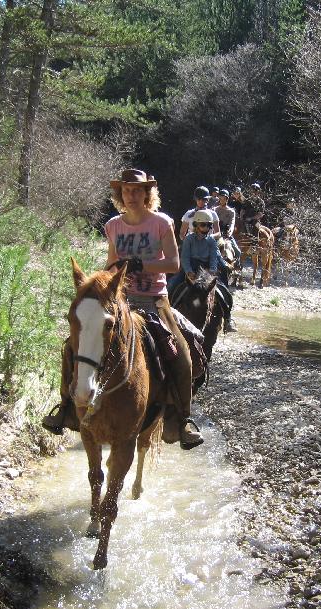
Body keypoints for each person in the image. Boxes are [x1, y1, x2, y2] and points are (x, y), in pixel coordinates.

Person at [42, 168, 204, 449]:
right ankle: (66, 406)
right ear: (121, 195)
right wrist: (103, 281)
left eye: (137, 190)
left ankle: (183, 418)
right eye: (126, 191)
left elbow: (174, 264)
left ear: (146, 193)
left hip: (154, 300)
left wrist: (143, 265)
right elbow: (110, 264)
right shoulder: (114, 225)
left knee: (182, 352)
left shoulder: (161, 223)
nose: (131, 195)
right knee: (73, 345)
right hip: (120, 300)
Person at [168, 210, 237, 333]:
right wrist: (188, 271)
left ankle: (228, 318)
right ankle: (167, 315)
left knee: (223, 291)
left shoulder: (211, 241)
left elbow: (213, 258)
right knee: (172, 284)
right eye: (203, 225)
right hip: (191, 266)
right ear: (196, 225)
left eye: (208, 225)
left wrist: (212, 271)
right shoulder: (189, 239)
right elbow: (184, 257)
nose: (206, 227)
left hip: (206, 268)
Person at [215, 188, 241, 261]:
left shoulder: (231, 211)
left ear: (227, 199)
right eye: (220, 198)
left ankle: (237, 268)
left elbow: (232, 222)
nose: (222, 200)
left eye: (224, 199)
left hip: (226, 233)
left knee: (238, 252)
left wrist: (230, 230)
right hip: (216, 233)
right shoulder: (214, 210)